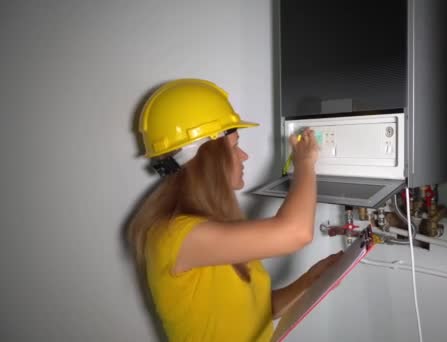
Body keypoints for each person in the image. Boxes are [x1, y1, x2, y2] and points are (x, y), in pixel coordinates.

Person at [128, 78, 343, 342]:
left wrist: (310, 280)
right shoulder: (174, 235)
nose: (243, 156)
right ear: (207, 157)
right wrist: (305, 162)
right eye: (234, 146)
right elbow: (296, 232)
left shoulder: (210, 229)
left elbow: (259, 312)